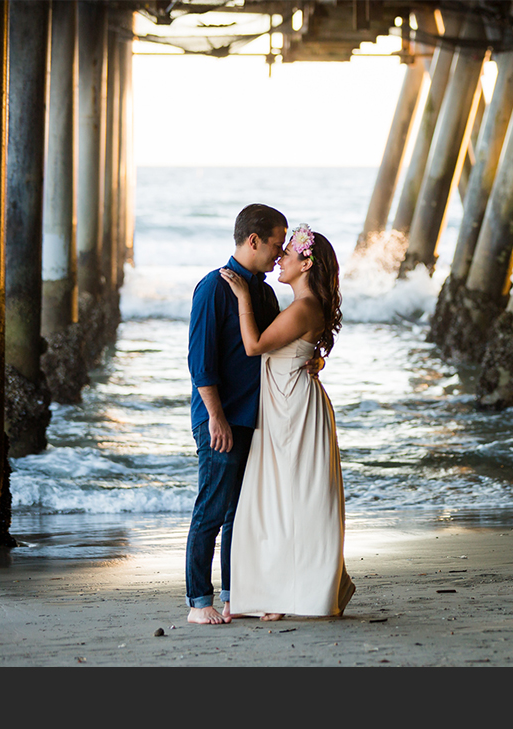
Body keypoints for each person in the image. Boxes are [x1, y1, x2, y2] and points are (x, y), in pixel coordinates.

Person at [220, 224, 355, 619]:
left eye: (289, 254)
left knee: (293, 500)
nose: (280, 258)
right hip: (285, 404)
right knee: (284, 500)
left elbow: (254, 345)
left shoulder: (303, 306)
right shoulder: (302, 306)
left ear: (306, 263)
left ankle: (291, 594)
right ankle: (283, 590)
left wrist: (244, 296)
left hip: (294, 409)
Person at [185, 203, 288, 625]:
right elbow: (200, 362)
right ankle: (198, 602)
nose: (280, 254)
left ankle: (234, 597)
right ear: (253, 240)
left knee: (239, 514)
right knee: (211, 508)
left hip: (254, 418)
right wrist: (216, 417)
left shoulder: (263, 292)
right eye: (276, 245)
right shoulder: (213, 287)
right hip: (221, 419)